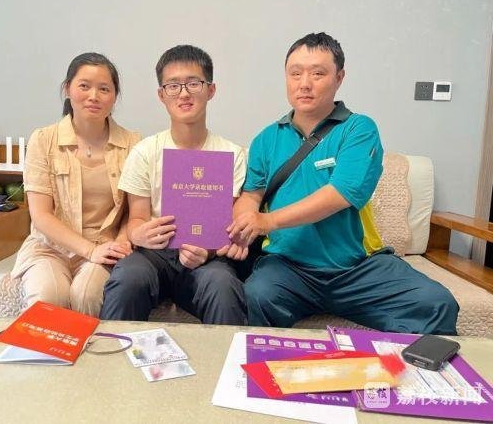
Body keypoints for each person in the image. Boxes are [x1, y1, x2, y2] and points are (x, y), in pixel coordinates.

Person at [222, 32, 459, 334]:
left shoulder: (359, 129)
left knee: (437, 303)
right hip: (287, 266)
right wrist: (243, 225)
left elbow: (340, 193)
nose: (304, 83)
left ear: (339, 78)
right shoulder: (266, 139)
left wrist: (267, 221)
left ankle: (400, 364)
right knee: (258, 294)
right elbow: (251, 195)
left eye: (317, 73)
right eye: (295, 73)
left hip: (357, 268)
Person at [100, 45, 247, 325]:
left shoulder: (233, 154)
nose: (184, 93)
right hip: (154, 255)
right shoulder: (145, 152)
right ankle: (112, 351)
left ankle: (227, 355)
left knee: (223, 286)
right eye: (173, 86)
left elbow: (229, 224)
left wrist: (208, 251)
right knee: (127, 278)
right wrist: (139, 234)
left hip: (206, 257)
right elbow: (137, 218)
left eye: (194, 83)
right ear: (161, 95)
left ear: (211, 90)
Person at [9, 53, 140, 316]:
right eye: (84, 86)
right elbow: (41, 215)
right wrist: (88, 250)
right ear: (67, 89)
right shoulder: (43, 140)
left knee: (87, 294)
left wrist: (121, 242)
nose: (94, 96)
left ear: (114, 96)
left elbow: (134, 211)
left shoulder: (133, 144)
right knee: (49, 297)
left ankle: (96, 346)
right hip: (49, 248)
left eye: (104, 89)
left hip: (105, 246)